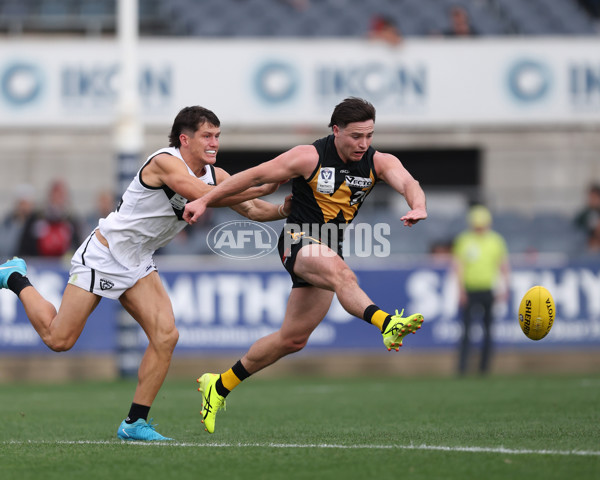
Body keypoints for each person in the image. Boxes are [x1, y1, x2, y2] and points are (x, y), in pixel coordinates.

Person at [0, 106, 291, 441]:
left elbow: (252, 210)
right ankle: (14, 277)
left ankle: (135, 422)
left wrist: (283, 207)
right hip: (105, 254)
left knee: (166, 336)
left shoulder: (217, 176)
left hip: (138, 261)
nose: (214, 143)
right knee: (59, 339)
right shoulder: (165, 162)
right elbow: (201, 195)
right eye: (207, 136)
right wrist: (263, 187)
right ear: (185, 139)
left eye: (218, 136)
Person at [183, 97, 427, 434]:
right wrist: (204, 199)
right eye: (356, 136)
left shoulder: (378, 161)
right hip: (298, 239)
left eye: (369, 135)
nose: (364, 144)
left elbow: (408, 183)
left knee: (293, 340)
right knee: (343, 274)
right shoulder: (308, 157)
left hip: (329, 246)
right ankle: (387, 323)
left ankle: (219, 384)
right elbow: (253, 177)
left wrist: (418, 205)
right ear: (336, 130)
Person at [452, 205, 510, 376]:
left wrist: (505, 287)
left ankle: (484, 369)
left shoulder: (496, 241)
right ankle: (462, 369)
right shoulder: (464, 240)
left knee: (488, 330)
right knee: (466, 331)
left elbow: (503, 265)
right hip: (470, 289)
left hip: (488, 289)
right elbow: (458, 266)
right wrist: (461, 290)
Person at [17, 179, 82, 258]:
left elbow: (77, 245)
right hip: (39, 263)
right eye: (55, 194)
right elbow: (25, 245)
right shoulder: (36, 218)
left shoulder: (71, 221)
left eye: (61, 195)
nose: (58, 198)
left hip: (62, 265)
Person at [0, 183, 36, 259]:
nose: (23, 207)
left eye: (26, 204)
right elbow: (5, 246)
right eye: (21, 203)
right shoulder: (8, 221)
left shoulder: (36, 222)